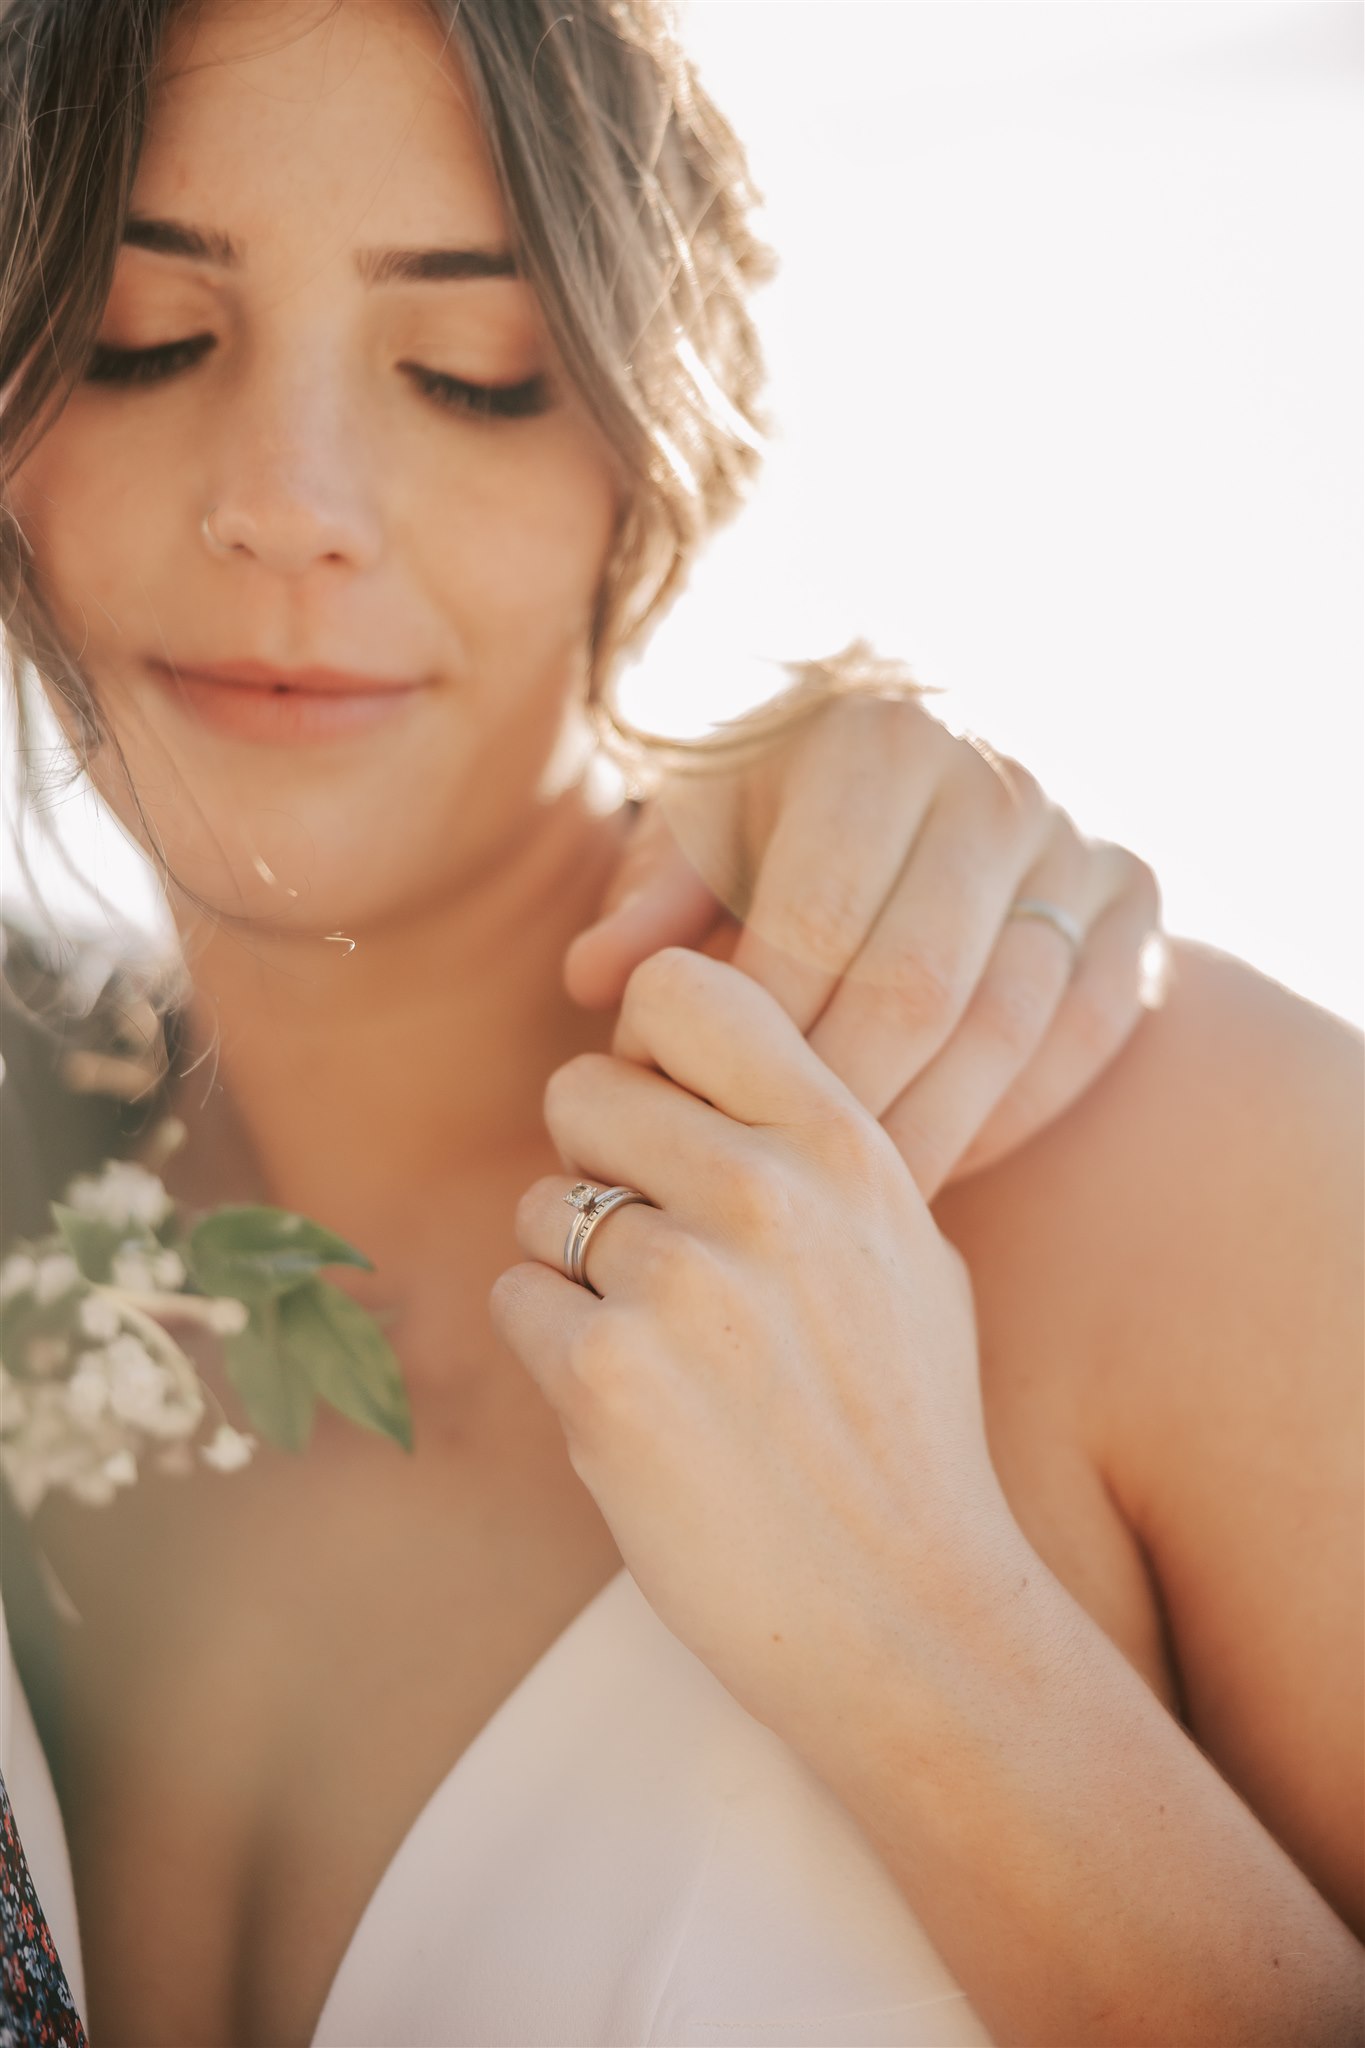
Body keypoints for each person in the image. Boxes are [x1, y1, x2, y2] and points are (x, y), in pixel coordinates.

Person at [0, 3, 1358, 2045]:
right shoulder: (37, 1186)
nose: (285, 504)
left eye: (473, 373)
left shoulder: (1141, 1156)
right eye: (137, 335)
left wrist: (920, 1631)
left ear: (655, 423)